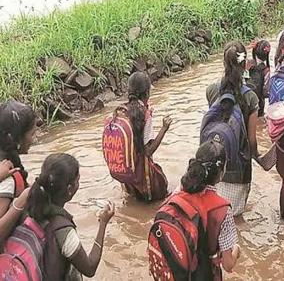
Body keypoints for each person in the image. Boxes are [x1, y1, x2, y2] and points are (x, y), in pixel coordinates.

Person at [149, 141, 241, 280]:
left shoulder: (176, 194)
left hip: (175, 272)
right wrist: (236, 251)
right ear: (221, 173)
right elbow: (228, 265)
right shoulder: (223, 210)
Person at [25, 153, 115, 280]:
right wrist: (103, 223)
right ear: (70, 188)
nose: (78, 183)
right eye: (77, 180)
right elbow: (90, 268)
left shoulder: (29, 209)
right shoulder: (63, 231)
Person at [206, 42, 259, 216]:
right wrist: (258, 157)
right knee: (235, 221)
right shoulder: (250, 97)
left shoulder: (212, 90)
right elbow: (251, 140)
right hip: (239, 169)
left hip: (213, 165)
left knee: (215, 218)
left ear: (224, 62)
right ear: (244, 65)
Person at [103, 71, 171, 201]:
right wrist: (164, 128)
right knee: (161, 195)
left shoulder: (120, 111)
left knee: (132, 202)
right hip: (143, 174)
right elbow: (148, 151)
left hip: (127, 173)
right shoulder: (144, 114)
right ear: (147, 93)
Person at [0, 101, 37, 242]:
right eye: (32, 134)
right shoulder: (8, 179)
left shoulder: (9, 164)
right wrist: (21, 202)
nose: (35, 139)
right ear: (17, 139)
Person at [245, 40, 271, 117]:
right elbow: (265, 92)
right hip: (258, 104)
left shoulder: (248, 63)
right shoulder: (266, 70)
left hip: (245, 100)